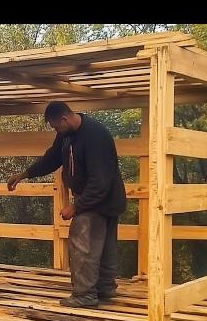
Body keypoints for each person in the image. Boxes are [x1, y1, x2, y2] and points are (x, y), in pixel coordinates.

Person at [7, 101, 127, 308]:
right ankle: (104, 288)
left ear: (64, 118)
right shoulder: (67, 134)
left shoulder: (94, 135)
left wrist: (76, 206)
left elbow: (100, 180)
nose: (56, 130)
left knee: (82, 243)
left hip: (99, 199)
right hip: (102, 198)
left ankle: (85, 295)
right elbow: (53, 158)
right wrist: (25, 174)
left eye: (56, 126)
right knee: (103, 244)